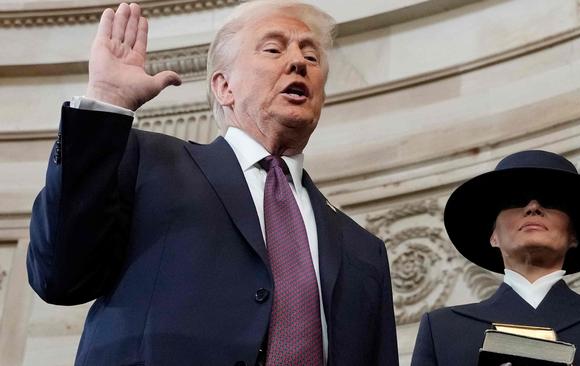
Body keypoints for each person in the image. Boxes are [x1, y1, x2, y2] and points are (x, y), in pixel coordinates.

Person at [27, 1, 398, 365]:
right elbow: (59, 276)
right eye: (273, 49)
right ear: (224, 87)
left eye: (312, 58)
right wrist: (105, 103)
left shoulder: (363, 251)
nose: (298, 62)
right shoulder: (147, 163)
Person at [411, 150, 580, 365]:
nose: (533, 206)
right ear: (493, 236)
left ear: (573, 236)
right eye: (515, 200)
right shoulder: (443, 330)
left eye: (552, 200)